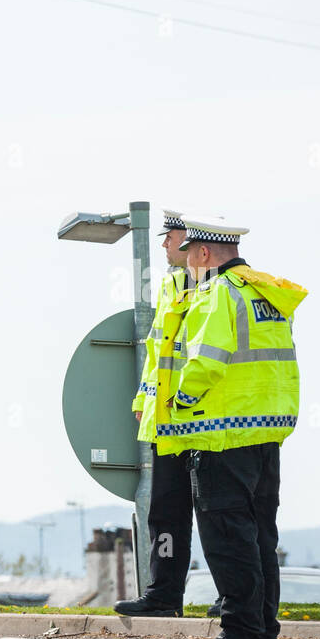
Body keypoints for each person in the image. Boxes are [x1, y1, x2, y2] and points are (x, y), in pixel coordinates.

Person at [157, 217, 306, 639]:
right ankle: (264, 635)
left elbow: (207, 361)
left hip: (221, 433)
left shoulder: (218, 292)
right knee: (260, 536)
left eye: (189, 254)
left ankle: (241, 636)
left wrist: (179, 401)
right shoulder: (266, 292)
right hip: (266, 430)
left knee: (227, 539)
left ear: (203, 254)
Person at [115, 209, 196, 618]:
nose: (163, 243)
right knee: (165, 514)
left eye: (170, 235)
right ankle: (163, 596)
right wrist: (141, 402)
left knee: (223, 519)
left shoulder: (214, 286)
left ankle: (230, 601)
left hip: (205, 423)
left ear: (190, 238)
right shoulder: (171, 283)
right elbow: (157, 352)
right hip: (166, 424)